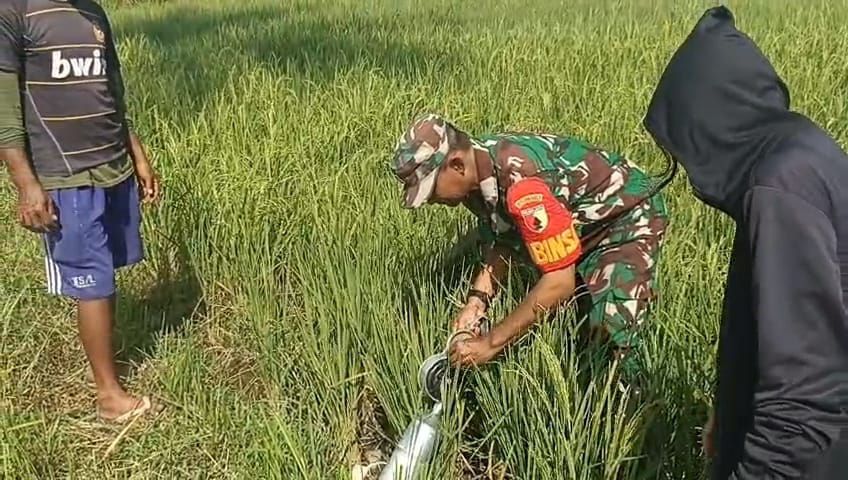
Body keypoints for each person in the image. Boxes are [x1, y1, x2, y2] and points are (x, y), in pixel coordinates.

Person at [643, 6, 848, 478]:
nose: (684, 168)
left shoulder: (779, 186)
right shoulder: (797, 152)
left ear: (707, 121)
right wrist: (729, 409)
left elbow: (803, 394)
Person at [389, 113, 672, 391]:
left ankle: (634, 406)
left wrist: (491, 343)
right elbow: (506, 238)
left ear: (456, 165)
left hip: (625, 216)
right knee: (577, 325)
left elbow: (559, 283)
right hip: (581, 223)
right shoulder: (478, 172)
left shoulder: (523, 185)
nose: (430, 200)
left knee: (609, 335)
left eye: (431, 190)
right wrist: (477, 301)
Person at [0, 0, 161, 423]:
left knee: (108, 271)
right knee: (92, 279)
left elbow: (113, 94)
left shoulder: (93, 12)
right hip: (64, 174)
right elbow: (5, 112)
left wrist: (138, 156)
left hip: (113, 166)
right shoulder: (14, 12)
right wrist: (26, 183)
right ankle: (109, 397)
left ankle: (105, 361)